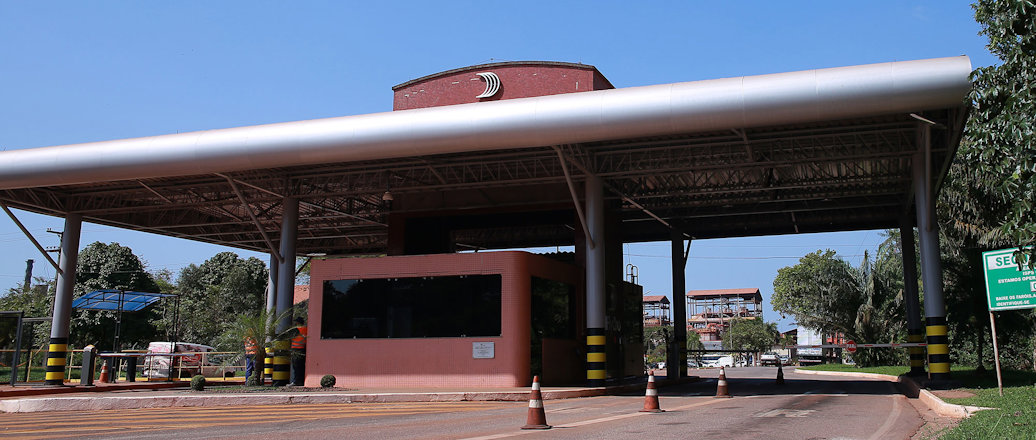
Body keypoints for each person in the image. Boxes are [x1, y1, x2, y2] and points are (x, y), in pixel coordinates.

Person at [290, 317, 307, 386]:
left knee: (296, 366)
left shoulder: (295, 330)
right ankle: (301, 381)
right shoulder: (306, 329)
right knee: (301, 366)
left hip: (296, 349)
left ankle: (296, 381)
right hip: (303, 349)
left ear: (297, 322)